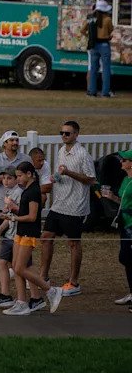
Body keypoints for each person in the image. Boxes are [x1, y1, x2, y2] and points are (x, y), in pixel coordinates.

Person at [39, 120, 96, 296]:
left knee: (73, 243)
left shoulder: (83, 154)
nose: (64, 136)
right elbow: (61, 172)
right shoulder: (62, 150)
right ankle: (43, 276)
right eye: (62, 133)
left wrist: (68, 173)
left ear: (76, 135)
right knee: (46, 237)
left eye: (67, 133)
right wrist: (56, 177)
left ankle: (74, 282)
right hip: (59, 203)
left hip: (75, 207)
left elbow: (91, 179)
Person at [1, 162, 65, 315]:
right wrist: (12, 214)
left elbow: (32, 216)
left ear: (29, 174)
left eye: (20, 176)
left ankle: (51, 290)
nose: (18, 179)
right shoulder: (27, 189)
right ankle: (22, 302)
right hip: (20, 232)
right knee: (16, 268)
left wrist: (15, 219)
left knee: (20, 268)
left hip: (29, 233)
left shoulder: (34, 191)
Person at [0, 168, 23, 309]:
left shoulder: (19, 193)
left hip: (17, 236)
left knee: (20, 267)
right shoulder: (9, 193)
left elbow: (20, 214)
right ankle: (5, 295)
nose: (5, 181)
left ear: (16, 179)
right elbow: (8, 218)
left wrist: (11, 210)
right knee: (2, 262)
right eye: (3, 178)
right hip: (9, 235)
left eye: (9, 178)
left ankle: (35, 295)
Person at [103, 150, 132, 308]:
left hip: (131, 224)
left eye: (124, 160)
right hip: (124, 223)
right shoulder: (126, 180)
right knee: (126, 258)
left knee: (128, 257)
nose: (121, 162)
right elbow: (122, 199)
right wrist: (112, 197)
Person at [0, 131, 29, 231]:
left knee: (20, 235)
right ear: (4, 143)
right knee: (2, 235)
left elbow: (32, 179)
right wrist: (4, 177)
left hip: (21, 204)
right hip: (1, 205)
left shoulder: (26, 159)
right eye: (11, 140)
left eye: (17, 140)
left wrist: (18, 179)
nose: (15, 143)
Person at [82, 0, 114, 97]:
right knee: (106, 69)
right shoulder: (108, 19)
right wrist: (107, 37)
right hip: (104, 45)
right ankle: (105, 92)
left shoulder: (90, 18)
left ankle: (92, 91)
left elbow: (82, 30)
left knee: (93, 69)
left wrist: (90, 36)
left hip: (93, 46)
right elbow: (110, 31)